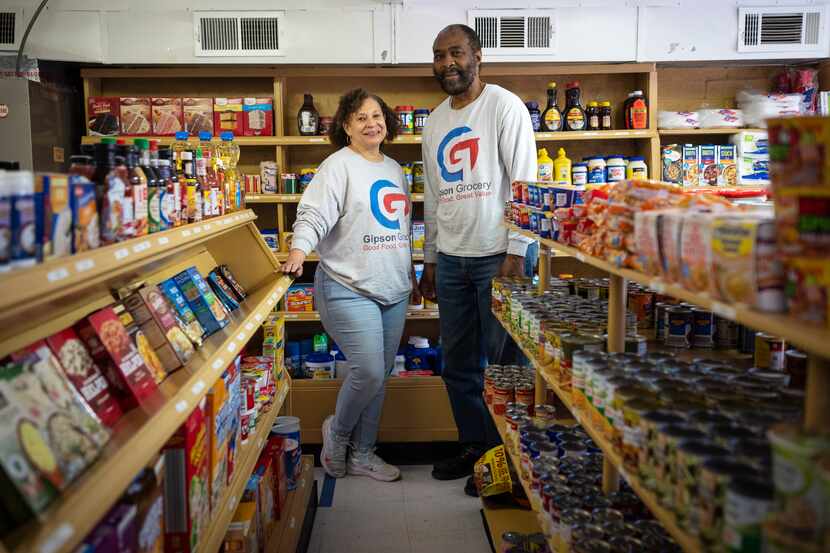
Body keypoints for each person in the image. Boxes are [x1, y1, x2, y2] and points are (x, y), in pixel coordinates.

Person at [420, 24, 537, 490]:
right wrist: (429, 259)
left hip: (497, 256)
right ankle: (475, 448)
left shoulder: (503, 106)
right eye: (438, 55)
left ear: (477, 56)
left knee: (508, 364)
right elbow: (432, 195)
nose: (447, 63)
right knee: (459, 364)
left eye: (456, 53)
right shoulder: (434, 121)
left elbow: (526, 182)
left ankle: (507, 459)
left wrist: (517, 250)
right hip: (451, 260)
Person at [282, 88, 420, 482]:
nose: (371, 123)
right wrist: (298, 249)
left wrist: (408, 270)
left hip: (393, 288)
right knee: (370, 372)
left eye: (376, 115)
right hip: (347, 284)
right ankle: (337, 434)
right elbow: (313, 214)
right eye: (360, 117)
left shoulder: (394, 169)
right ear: (346, 126)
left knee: (381, 375)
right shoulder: (337, 166)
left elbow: (398, 227)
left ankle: (363, 452)